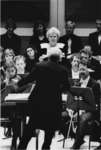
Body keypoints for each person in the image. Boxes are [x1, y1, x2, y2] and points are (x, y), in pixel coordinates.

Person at [13, 50, 70, 150]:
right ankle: (45, 148)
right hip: (53, 103)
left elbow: (29, 78)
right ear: (59, 58)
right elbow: (66, 87)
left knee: (30, 128)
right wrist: (57, 90)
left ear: (48, 57)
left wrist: (18, 84)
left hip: (37, 102)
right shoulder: (63, 70)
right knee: (49, 131)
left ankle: (21, 148)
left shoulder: (39, 66)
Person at [71, 64, 100, 149]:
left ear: (89, 71)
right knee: (60, 115)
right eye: (80, 70)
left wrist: (83, 110)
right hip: (77, 108)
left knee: (83, 118)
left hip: (91, 111)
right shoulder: (77, 82)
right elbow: (73, 98)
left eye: (83, 70)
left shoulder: (95, 84)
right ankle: (79, 138)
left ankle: (77, 144)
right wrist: (71, 109)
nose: (81, 72)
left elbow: (96, 102)